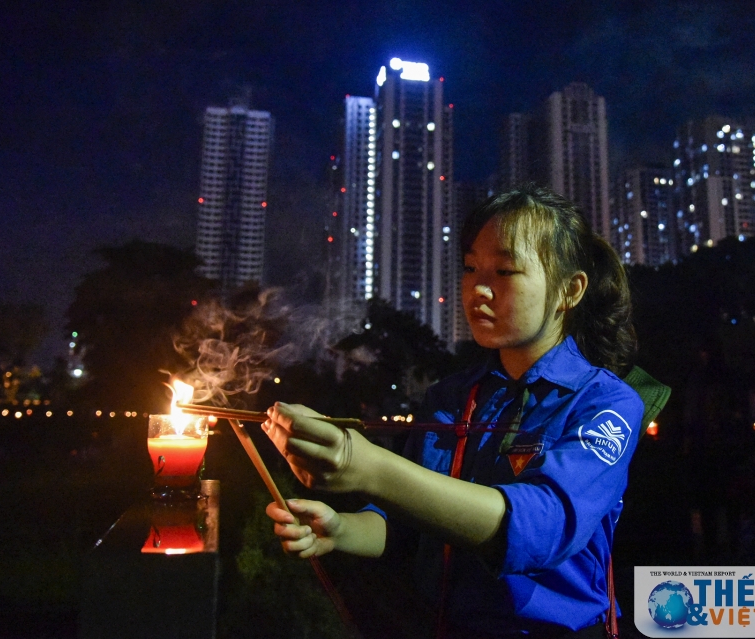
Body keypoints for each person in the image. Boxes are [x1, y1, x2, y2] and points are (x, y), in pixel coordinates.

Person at [262, 184, 644, 638]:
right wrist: (341, 528)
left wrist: (371, 468)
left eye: (504, 270)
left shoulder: (605, 403)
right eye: (469, 267)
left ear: (569, 290)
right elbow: (407, 523)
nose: (477, 289)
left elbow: (541, 526)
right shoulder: (449, 397)